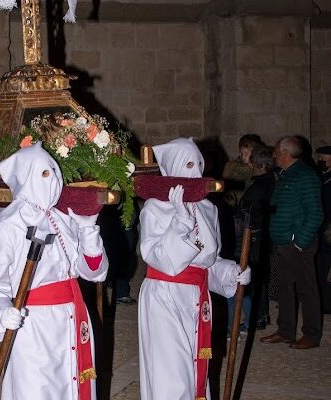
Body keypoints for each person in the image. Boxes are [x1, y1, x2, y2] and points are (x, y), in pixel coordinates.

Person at [0, 142, 108, 400]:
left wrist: (89, 231)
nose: (54, 180)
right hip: (34, 325)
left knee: (72, 387)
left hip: (71, 317)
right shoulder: (9, 223)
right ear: (27, 177)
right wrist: (1, 313)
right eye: (44, 174)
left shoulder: (61, 216)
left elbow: (93, 273)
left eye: (55, 171)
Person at [138, 138, 251, 400]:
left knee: (195, 369)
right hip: (165, 296)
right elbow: (162, 260)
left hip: (197, 298)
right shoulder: (155, 208)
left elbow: (207, 264)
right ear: (174, 167)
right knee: (172, 375)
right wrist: (180, 223)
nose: (195, 173)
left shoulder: (209, 208)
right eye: (188, 164)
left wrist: (232, 272)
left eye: (198, 164)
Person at [261, 136, 323, 349]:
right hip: (283, 242)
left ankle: (312, 335)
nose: (275, 155)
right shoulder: (287, 175)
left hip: (297, 244)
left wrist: (299, 242)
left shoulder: (305, 176)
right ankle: (286, 330)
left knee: (307, 290)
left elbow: (315, 213)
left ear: (286, 154)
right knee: (284, 288)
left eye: (277, 151)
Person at [227, 145, 276, 335]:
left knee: (252, 277)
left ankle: (257, 318)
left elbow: (245, 215)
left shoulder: (260, 187)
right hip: (260, 234)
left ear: (260, 165)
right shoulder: (268, 181)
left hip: (253, 236)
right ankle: (260, 317)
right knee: (257, 277)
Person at [222, 134, 265, 209]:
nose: (243, 157)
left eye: (246, 153)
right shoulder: (232, 166)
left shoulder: (260, 168)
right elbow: (225, 184)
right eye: (241, 153)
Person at [315, 145, 331, 314]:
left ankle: (327, 303)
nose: (320, 161)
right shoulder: (320, 176)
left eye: (324, 159)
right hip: (320, 226)